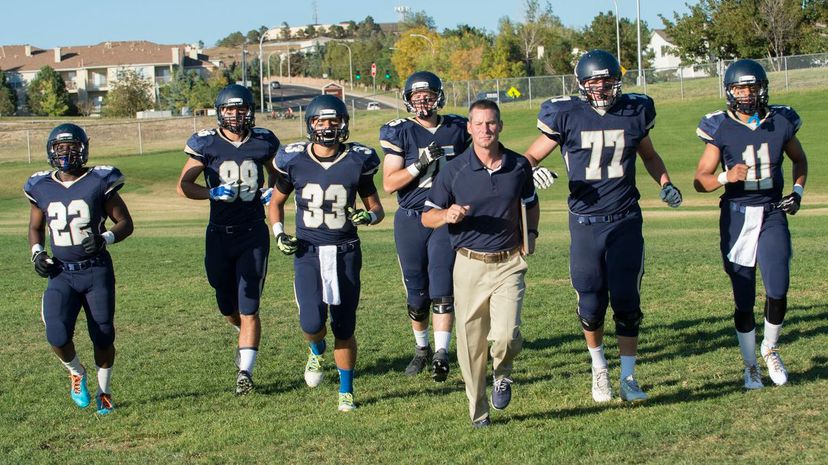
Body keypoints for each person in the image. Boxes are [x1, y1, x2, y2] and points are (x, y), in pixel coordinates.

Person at [524, 50, 683, 404]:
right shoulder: (566, 114)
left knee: (627, 300)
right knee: (592, 303)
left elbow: (650, 155)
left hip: (626, 218)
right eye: (594, 81)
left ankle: (628, 376)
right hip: (585, 222)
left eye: (607, 80)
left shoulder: (634, 111)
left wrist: (665, 183)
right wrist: (532, 172)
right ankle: (599, 371)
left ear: (618, 81)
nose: (601, 87)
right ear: (581, 84)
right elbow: (528, 158)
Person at [422, 99, 538, 428]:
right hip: (469, 264)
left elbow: (530, 204)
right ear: (469, 128)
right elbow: (427, 217)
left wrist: (533, 235)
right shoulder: (454, 170)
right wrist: (447, 214)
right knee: (471, 344)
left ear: (500, 126)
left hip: (508, 263)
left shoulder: (518, 165)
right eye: (479, 124)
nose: (485, 129)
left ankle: (503, 374)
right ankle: (479, 413)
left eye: (491, 123)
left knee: (506, 334)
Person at [693, 59, 808, 389]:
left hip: (772, 211)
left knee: (778, 286)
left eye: (752, 87)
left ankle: (770, 348)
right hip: (738, 215)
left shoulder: (781, 120)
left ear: (763, 88)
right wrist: (726, 176)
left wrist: (797, 191)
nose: (747, 93)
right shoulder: (719, 126)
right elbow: (700, 180)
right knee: (743, 297)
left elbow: (800, 158)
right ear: (729, 91)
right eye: (740, 88)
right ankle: (749, 366)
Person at [269, 94, 385, 412]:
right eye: (322, 121)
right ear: (311, 124)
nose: (328, 127)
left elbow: (377, 208)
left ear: (344, 124)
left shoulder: (358, 159)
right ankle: (316, 349)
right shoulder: (294, 159)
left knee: (345, 326)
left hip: (346, 250)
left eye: (334, 121)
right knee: (311, 322)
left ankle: (346, 391)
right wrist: (279, 234)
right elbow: (275, 203)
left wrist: (369, 216)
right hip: (308, 251)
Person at [24, 123, 134, 415]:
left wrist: (105, 238)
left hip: (96, 270)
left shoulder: (99, 180)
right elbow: (35, 227)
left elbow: (125, 223)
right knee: (57, 336)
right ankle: (76, 372)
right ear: (51, 150)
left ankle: (105, 392)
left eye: (71, 146)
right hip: (61, 272)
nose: (65, 153)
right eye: (60, 147)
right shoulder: (40, 186)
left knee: (103, 335)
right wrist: (37, 254)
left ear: (83, 148)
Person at [177, 84, 280, 395]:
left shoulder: (264, 140)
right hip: (219, 234)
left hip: (253, 232)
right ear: (219, 112)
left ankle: (245, 372)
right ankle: (240, 331)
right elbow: (184, 184)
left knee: (249, 304)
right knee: (225, 303)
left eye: (241, 108)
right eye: (229, 109)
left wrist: (271, 189)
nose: (236, 114)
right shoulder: (206, 143)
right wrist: (210, 192)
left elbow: (278, 173)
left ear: (250, 110)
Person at [379, 71, 471, 382]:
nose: (423, 101)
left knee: (442, 286)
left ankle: (442, 353)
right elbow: (390, 184)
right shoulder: (400, 132)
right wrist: (418, 164)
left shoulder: (458, 128)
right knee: (417, 294)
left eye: (428, 96)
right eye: (417, 97)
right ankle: (422, 348)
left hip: (445, 216)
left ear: (439, 97)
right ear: (407, 100)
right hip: (411, 218)